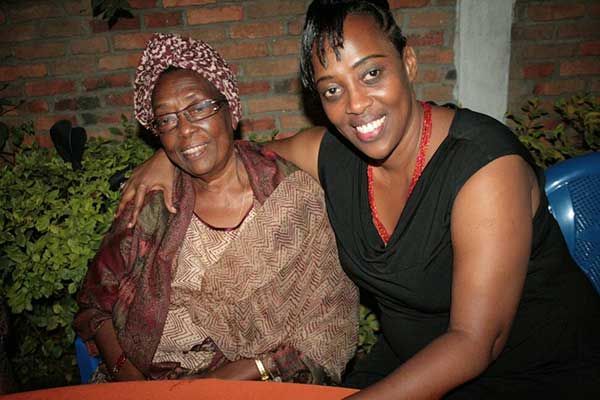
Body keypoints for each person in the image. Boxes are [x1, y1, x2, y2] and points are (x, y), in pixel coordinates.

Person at [118, 1, 600, 398]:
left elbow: (476, 342)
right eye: (332, 88)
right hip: (408, 361)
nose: (355, 104)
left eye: (371, 73)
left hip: (534, 371)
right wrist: (168, 156)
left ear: (408, 63)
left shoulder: (484, 168)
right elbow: (232, 152)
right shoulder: (333, 154)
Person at [74, 32, 358, 384]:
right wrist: (129, 379)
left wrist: (252, 369)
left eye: (198, 109)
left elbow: (330, 325)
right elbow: (96, 303)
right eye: (167, 120)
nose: (185, 131)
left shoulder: (294, 200)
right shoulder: (152, 204)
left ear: (231, 110)